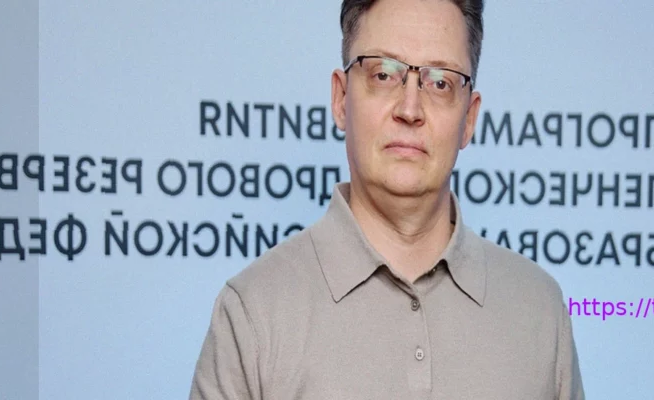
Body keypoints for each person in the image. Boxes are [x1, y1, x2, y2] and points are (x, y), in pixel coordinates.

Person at [189, 0, 584, 398]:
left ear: (469, 118)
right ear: (341, 98)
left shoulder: (540, 310)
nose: (410, 109)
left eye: (440, 82)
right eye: (383, 74)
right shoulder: (253, 311)